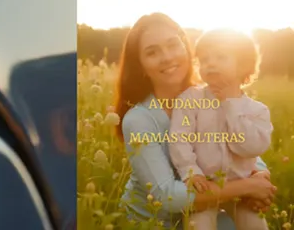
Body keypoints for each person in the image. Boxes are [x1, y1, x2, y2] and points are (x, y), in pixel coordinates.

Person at [114, 13, 276, 227]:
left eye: (173, 45)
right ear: (141, 66)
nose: (167, 57)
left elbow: (236, 143)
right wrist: (247, 187)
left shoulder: (213, 94)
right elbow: (166, 196)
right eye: (152, 52)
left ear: (186, 48)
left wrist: (260, 174)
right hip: (156, 221)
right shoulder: (139, 119)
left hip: (207, 206)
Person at [168, 28, 273, 229]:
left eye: (220, 57)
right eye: (205, 60)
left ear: (243, 65)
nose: (211, 63)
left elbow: (251, 148)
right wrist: (191, 172)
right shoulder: (190, 99)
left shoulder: (257, 110)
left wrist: (230, 105)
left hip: (243, 191)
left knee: (256, 225)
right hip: (205, 187)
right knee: (198, 225)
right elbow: (179, 139)